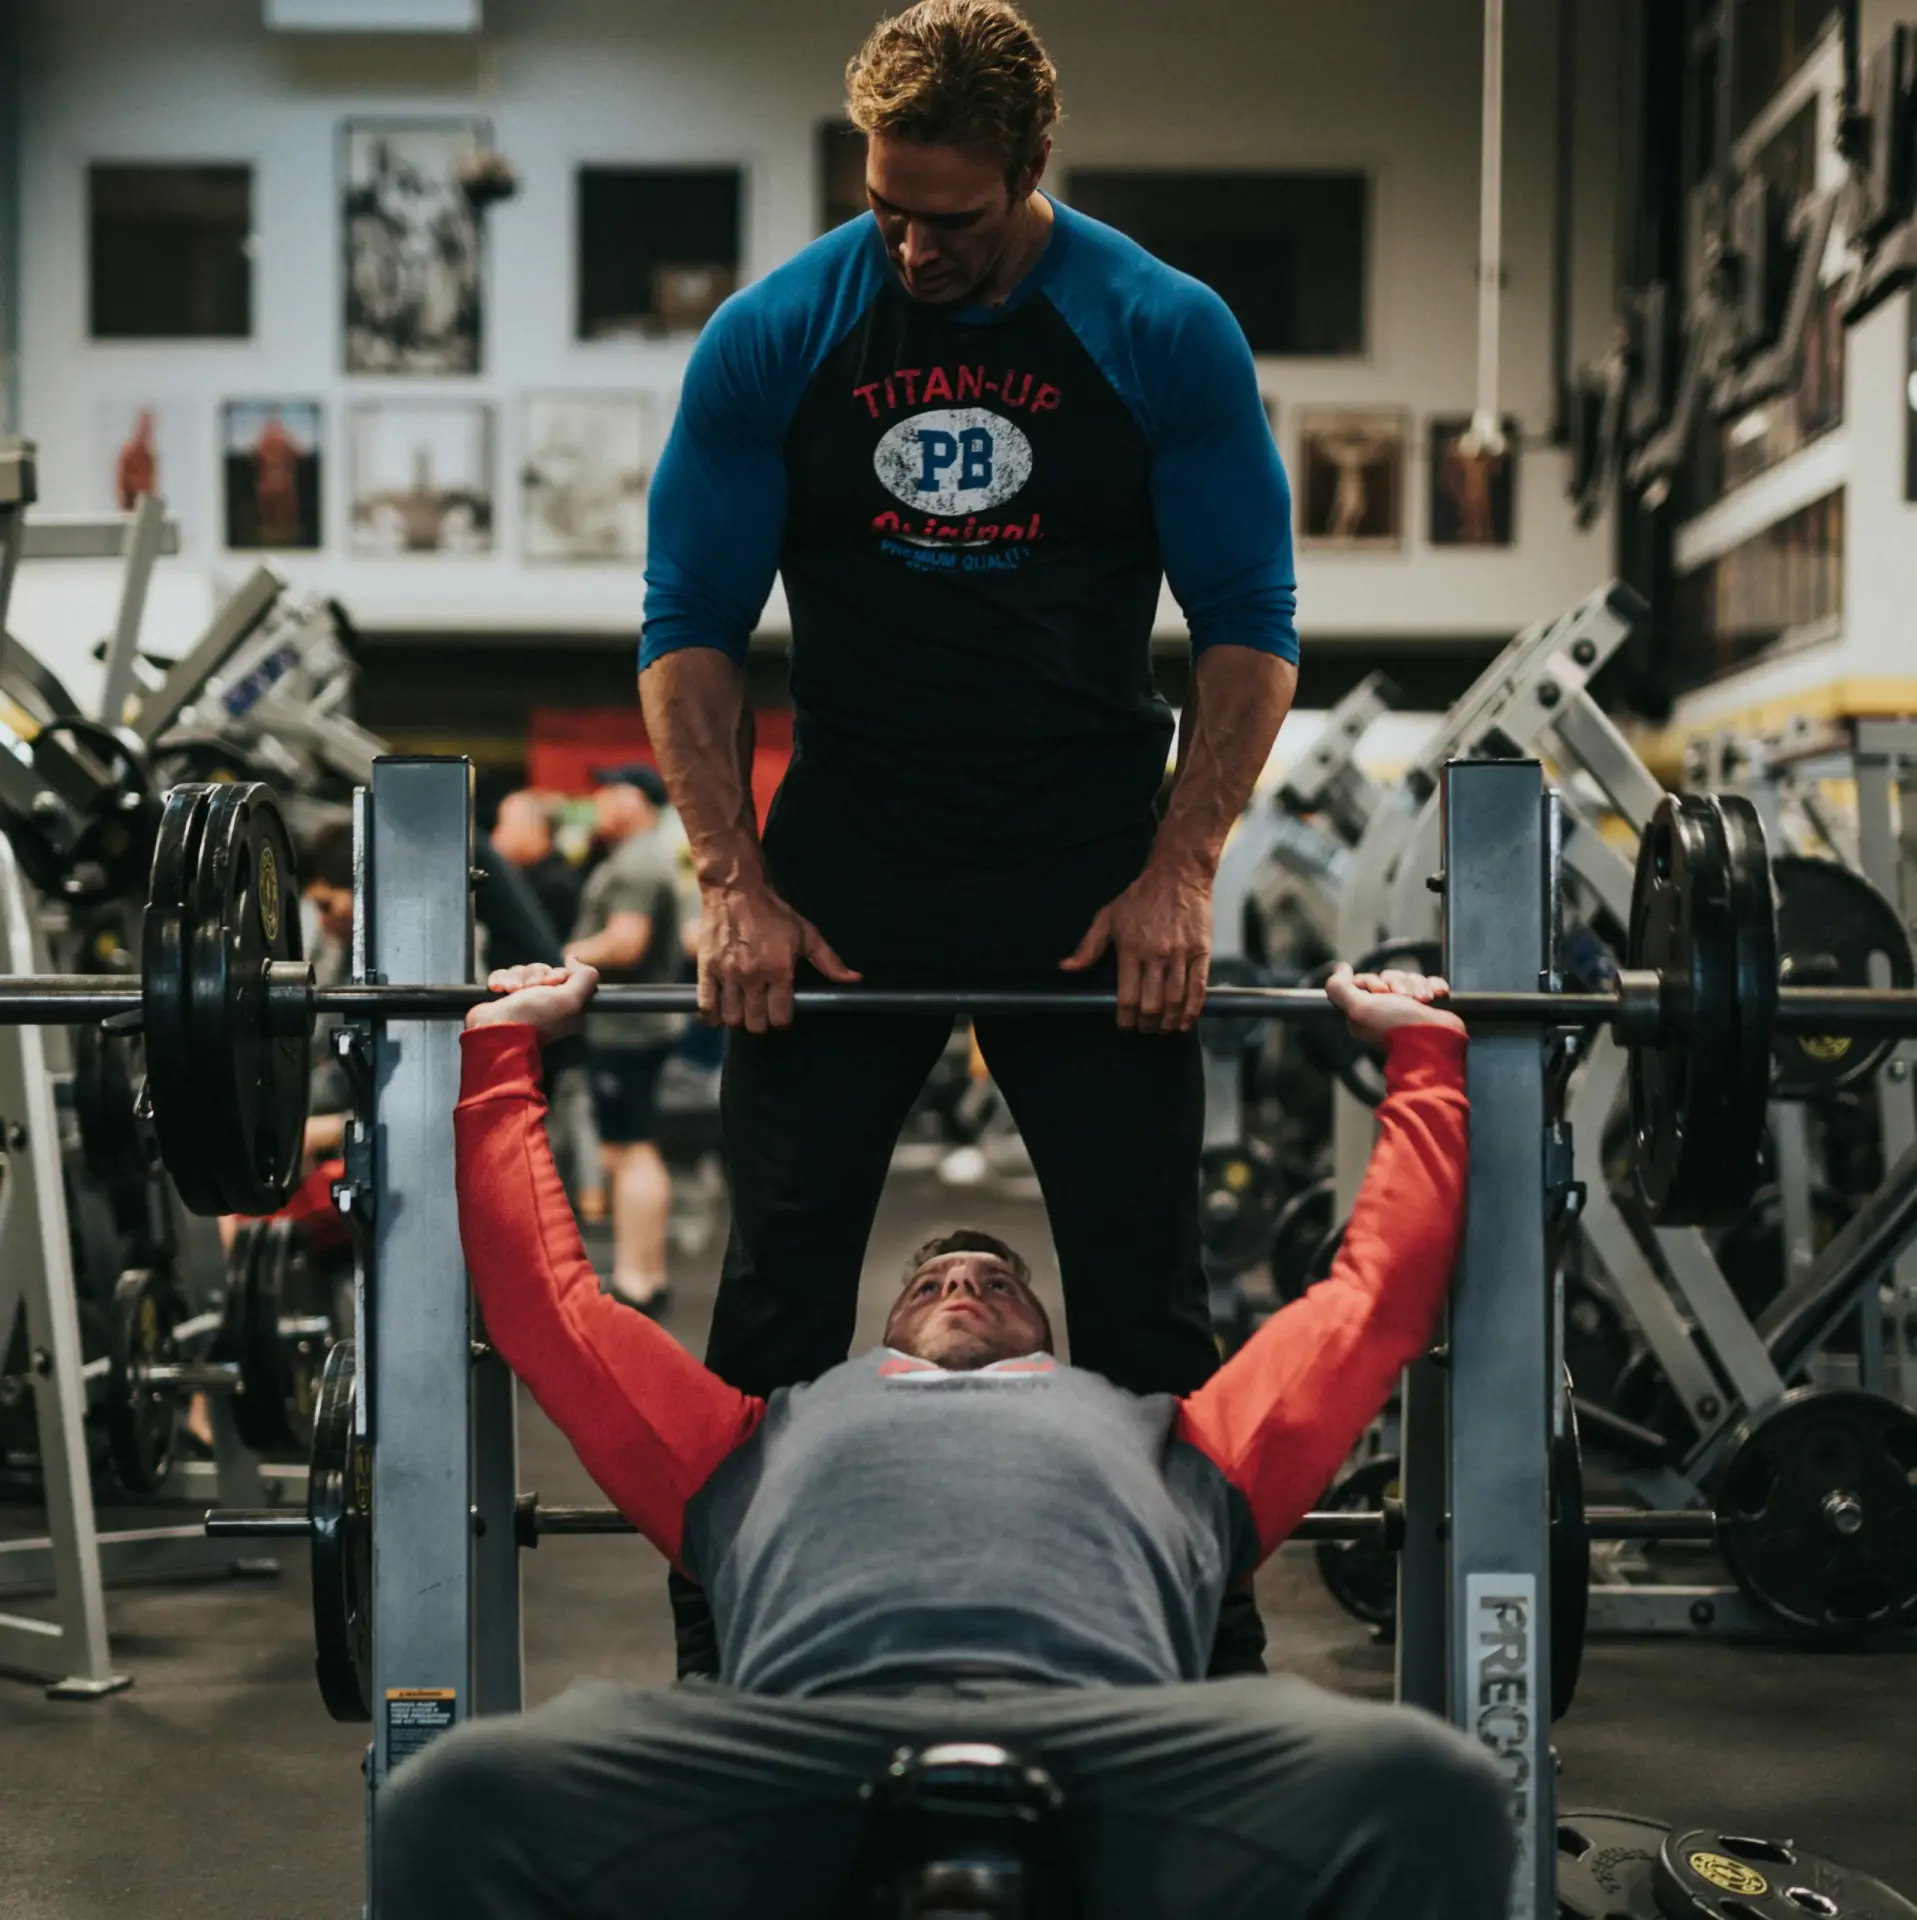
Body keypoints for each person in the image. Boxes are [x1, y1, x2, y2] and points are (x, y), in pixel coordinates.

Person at [638, 0, 1297, 1673]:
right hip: (843, 857)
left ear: (1030, 168)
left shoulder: (1161, 329)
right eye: (885, 208)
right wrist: (733, 884)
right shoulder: (778, 335)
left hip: (1085, 858)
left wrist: (1181, 869)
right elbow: (686, 627)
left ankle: (1199, 1661)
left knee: (1149, 1297)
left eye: (949, 213)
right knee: (774, 1292)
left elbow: (1247, 620)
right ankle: (727, 1652)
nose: (913, 245)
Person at [376, 960, 1507, 1920]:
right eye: (935, 1279)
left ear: (1056, 1348)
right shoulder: (749, 1438)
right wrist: (504, 1043)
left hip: (1122, 1739)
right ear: (878, 1339)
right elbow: (549, 1309)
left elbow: (1373, 1303)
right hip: (795, 1742)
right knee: (454, 1795)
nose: (964, 1279)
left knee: (1432, 1785)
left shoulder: (1181, 1440)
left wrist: (1422, 1053)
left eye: (995, 1279)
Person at [563, 766, 684, 1310]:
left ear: (638, 801)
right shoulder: (638, 856)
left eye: (612, 792)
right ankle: (643, 1274)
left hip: (628, 1030)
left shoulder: (637, 863)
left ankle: (639, 1281)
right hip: (630, 1028)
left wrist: (557, 960)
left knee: (629, 1150)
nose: (601, 801)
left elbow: (626, 943)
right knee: (628, 1149)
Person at [490, 789, 584, 947]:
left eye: (503, 824)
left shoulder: (556, 884)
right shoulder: (523, 876)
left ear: (537, 828)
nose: (495, 836)